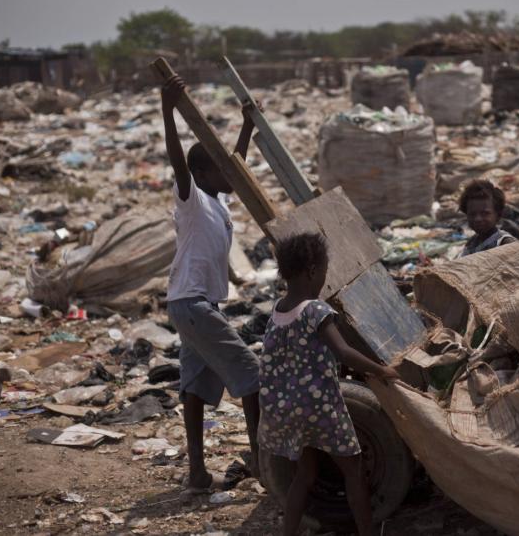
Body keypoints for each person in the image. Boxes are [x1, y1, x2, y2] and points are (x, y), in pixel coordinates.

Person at [161, 75, 262, 492]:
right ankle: (262, 464)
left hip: (197, 305)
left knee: (195, 388)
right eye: (220, 168)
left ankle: (199, 474)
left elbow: (234, 163)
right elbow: (176, 158)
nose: (232, 174)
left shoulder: (217, 199)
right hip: (193, 303)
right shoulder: (192, 197)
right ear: (200, 172)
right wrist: (167, 109)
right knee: (254, 377)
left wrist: (247, 128)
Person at [260, 233, 399, 536]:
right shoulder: (316, 310)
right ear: (312, 271)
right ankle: (367, 532)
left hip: (289, 409)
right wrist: (382, 370)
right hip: (320, 407)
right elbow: (344, 351)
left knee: (305, 474)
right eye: (324, 269)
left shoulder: (278, 312)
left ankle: (288, 533)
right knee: (354, 470)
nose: (325, 276)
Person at [458, 179, 519, 257]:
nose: (478, 219)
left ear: (498, 215)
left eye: (485, 213)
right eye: (472, 214)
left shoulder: (505, 243)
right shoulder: (472, 244)